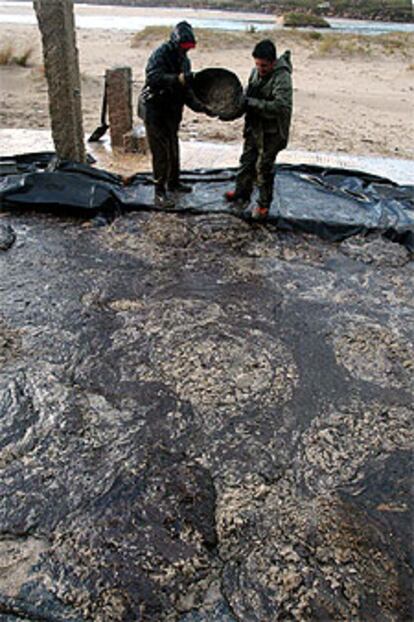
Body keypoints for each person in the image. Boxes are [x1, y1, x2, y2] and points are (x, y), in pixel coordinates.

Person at [138, 21, 212, 208]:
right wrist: (176, 78)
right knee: (160, 151)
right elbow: (152, 78)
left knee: (172, 146)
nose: (185, 51)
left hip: (172, 110)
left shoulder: (184, 60)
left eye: (188, 48)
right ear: (175, 42)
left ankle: (174, 182)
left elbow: (186, 91)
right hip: (154, 108)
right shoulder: (160, 54)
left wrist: (201, 107)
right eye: (183, 47)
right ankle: (159, 191)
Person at [225, 39, 293, 221]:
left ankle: (263, 204)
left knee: (263, 168)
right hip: (255, 127)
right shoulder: (255, 72)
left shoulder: (282, 77)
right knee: (246, 161)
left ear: (273, 62)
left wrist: (251, 103)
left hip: (272, 132)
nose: (260, 68)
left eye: (263, 65)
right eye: (257, 64)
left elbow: (281, 106)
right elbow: (247, 95)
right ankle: (241, 191)